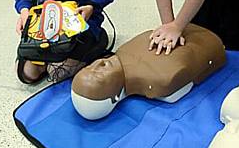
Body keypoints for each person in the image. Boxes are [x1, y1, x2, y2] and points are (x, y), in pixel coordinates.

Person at [71, 23, 226, 120]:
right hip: (210, 38)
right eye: (98, 75)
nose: (98, 64)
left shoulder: (123, 51)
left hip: (188, 25)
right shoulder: (160, 82)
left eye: (88, 68)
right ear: (115, 97)